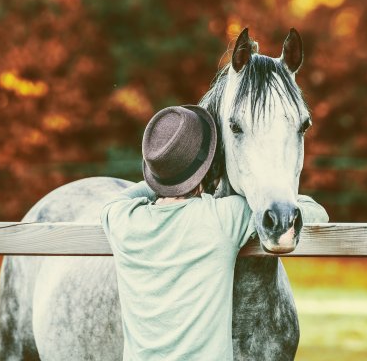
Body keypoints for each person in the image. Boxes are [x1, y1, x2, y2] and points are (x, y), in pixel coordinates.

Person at [100, 105, 328, 360]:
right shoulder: (222, 217)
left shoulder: (122, 218)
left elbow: (120, 198)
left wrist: (163, 177)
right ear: (207, 168)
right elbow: (314, 213)